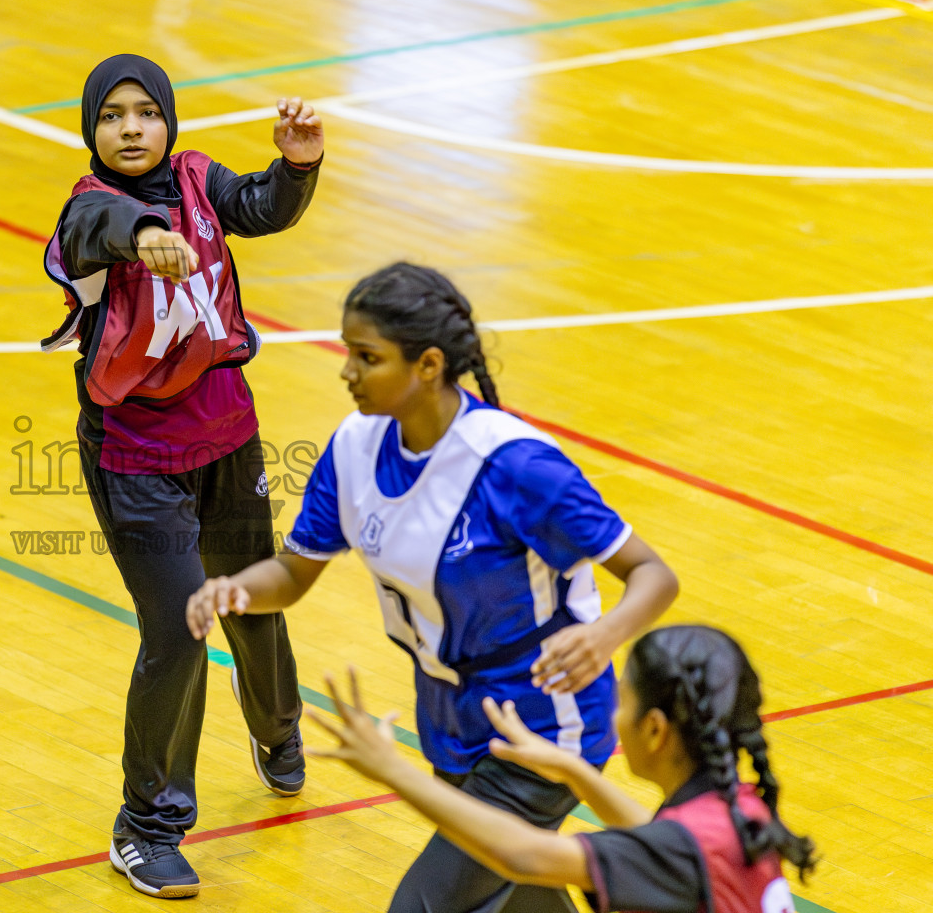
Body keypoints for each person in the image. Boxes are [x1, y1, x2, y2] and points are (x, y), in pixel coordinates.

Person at [187, 262, 681, 913]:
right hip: (450, 721)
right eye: (348, 353)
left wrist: (603, 635)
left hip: (542, 728)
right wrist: (234, 590)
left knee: (426, 905)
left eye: (367, 357)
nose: (347, 372)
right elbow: (293, 573)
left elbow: (654, 574)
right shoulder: (353, 448)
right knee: (516, 899)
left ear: (426, 366)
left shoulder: (516, 466)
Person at [40, 53, 323, 897]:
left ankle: (277, 731)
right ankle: (146, 827)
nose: (131, 128)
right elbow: (98, 232)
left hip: (229, 437)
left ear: (168, 121)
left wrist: (297, 164)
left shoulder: (199, 180)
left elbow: (260, 208)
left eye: (145, 113)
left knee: (256, 602)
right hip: (135, 459)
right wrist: (145, 235)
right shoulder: (88, 210)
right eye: (112, 116)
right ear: (92, 131)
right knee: (179, 631)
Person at [310, 624, 817, 913]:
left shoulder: (684, 847)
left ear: (656, 729)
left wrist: (394, 770)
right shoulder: (736, 808)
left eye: (622, 701)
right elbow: (654, 835)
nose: (614, 715)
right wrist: (573, 771)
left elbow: (523, 856)